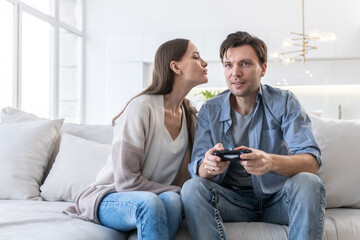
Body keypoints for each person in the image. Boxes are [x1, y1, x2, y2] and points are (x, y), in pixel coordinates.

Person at [181, 31, 326, 240]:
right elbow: (198, 169)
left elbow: (311, 163)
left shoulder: (284, 102)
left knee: (309, 183)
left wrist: (269, 161)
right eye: (228, 65)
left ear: (263, 68)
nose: (235, 73)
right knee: (192, 188)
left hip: (278, 199)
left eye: (245, 64)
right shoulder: (209, 110)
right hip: (232, 201)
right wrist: (209, 166)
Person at [65, 38, 208, 240]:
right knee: (151, 203)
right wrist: (177, 190)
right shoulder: (142, 107)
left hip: (156, 198)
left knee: (173, 201)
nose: (204, 63)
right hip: (111, 196)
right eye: (196, 57)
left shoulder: (190, 116)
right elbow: (126, 181)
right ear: (175, 67)